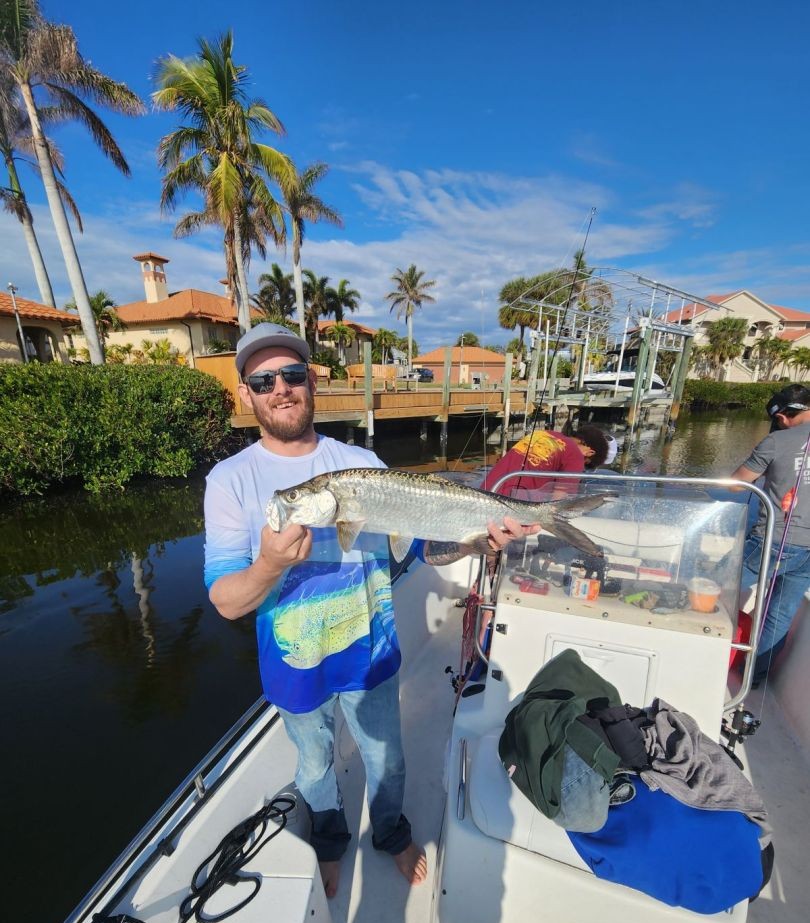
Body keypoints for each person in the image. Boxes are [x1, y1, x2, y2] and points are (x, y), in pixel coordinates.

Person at [203, 322, 533, 898]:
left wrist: (477, 541)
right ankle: (329, 842)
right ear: (246, 394)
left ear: (311, 383)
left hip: (371, 651)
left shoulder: (360, 461)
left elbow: (425, 544)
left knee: (388, 760)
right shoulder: (229, 480)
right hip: (295, 662)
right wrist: (268, 566)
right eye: (264, 379)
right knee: (313, 768)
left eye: (293, 374)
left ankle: (390, 834)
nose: (281, 388)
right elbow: (226, 601)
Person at [730, 384, 810, 685]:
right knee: (779, 614)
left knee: (716, 584)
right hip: (808, 551)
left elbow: (737, 484)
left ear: (782, 415)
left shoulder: (777, 441)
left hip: (773, 541)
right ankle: (752, 678)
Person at [481, 424, 610, 499]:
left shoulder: (542, 433)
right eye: (585, 463)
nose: (581, 466)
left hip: (485, 493)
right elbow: (559, 502)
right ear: (590, 452)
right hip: (510, 508)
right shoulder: (576, 456)